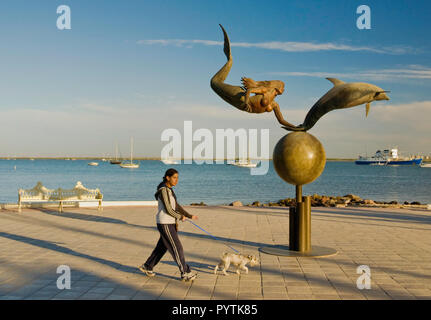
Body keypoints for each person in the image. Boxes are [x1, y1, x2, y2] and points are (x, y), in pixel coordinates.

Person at [139, 168, 199, 282]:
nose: (176, 180)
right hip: (165, 222)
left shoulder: (169, 190)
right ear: (168, 177)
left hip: (169, 223)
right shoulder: (163, 190)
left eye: (178, 178)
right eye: (174, 177)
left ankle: (148, 266)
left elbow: (176, 206)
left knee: (162, 247)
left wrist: (189, 215)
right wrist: (180, 217)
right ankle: (185, 272)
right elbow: (168, 209)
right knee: (177, 248)